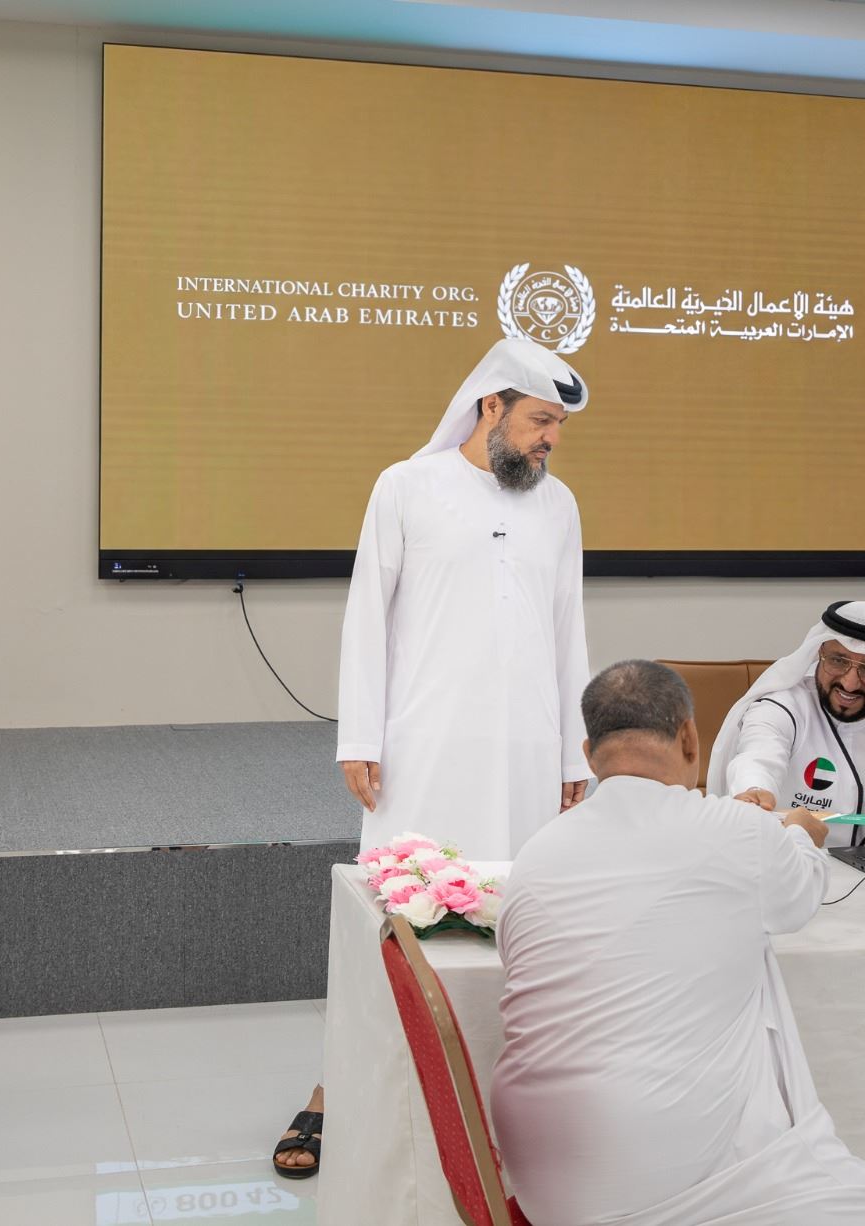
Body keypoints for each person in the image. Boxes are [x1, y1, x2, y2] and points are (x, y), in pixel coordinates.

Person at [275, 338, 594, 1178]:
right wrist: (360, 737)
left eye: (557, 425)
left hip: (527, 753)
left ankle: (496, 1098)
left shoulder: (559, 506)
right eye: (539, 420)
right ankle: (337, 1092)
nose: (549, 440)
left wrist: (574, 752)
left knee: (515, 926)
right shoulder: (406, 487)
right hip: (420, 748)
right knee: (394, 923)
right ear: (490, 405)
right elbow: (366, 617)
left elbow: (570, 633)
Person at [491, 660, 865, 1226]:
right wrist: (802, 835)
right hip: (666, 1182)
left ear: (589, 755)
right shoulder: (736, 833)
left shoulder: (536, 855)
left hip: (541, 1181)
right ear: (691, 737)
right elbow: (797, 898)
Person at [706, 601, 865, 847]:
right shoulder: (782, 707)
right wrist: (755, 788)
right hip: (795, 870)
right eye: (838, 661)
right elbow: (758, 754)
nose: (849, 684)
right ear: (820, 654)